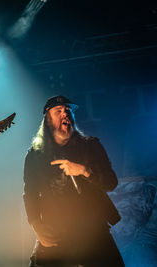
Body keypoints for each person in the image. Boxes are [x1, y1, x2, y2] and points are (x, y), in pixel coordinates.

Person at [23, 95, 124, 266]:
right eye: (59, 111)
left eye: (68, 111)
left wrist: (85, 171)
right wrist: (35, 224)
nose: (65, 114)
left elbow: (111, 182)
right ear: (47, 121)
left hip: (93, 230)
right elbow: (30, 194)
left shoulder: (91, 146)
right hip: (56, 230)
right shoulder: (35, 155)